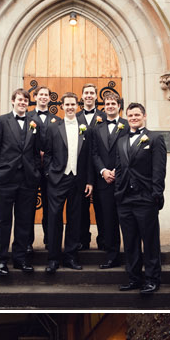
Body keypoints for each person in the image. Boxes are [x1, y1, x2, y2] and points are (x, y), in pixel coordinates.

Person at [0, 86, 40, 277]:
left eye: (26, 100)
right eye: (20, 100)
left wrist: (36, 173)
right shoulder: (1, 121)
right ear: (13, 101)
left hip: (27, 180)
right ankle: (1, 260)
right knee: (3, 221)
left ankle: (20, 259)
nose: (23, 103)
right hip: (4, 179)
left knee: (24, 221)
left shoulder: (34, 123)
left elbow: (36, 151)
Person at [115, 102, 167, 293]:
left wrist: (156, 193)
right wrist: (118, 193)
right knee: (130, 241)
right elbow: (120, 169)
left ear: (144, 116)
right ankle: (134, 278)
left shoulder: (155, 138)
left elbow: (159, 169)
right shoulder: (121, 141)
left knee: (150, 241)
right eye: (130, 115)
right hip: (125, 200)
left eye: (137, 115)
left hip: (145, 198)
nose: (134, 118)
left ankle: (153, 279)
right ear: (126, 117)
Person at [43, 95, 94, 275]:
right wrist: (49, 173)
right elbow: (47, 153)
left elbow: (88, 157)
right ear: (63, 106)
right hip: (58, 179)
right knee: (54, 218)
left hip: (78, 180)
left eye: (73, 104)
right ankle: (53, 259)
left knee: (75, 219)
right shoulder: (53, 127)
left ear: (77, 106)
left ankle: (71, 257)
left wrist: (89, 180)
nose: (70, 107)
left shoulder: (85, 129)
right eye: (67, 104)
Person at [92, 95, 127, 268]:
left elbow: (130, 151)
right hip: (104, 182)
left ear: (119, 106)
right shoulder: (97, 128)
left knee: (127, 220)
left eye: (113, 103)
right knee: (109, 220)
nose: (110, 106)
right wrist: (103, 171)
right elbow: (94, 153)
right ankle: (112, 257)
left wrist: (117, 170)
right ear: (104, 107)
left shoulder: (128, 125)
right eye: (107, 104)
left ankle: (131, 256)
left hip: (124, 181)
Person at [26, 87, 52, 253]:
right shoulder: (27, 117)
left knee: (50, 207)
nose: (43, 97)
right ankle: (27, 242)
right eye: (40, 94)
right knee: (27, 207)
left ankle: (50, 240)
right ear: (35, 97)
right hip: (31, 169)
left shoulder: (57, 120)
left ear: (50, 98)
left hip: (50, 171)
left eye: (46, 95)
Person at [77, 85, 102, 252]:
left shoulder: (104, 116)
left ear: (95, 96)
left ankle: (104, 241)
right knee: (80, 208)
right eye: (86, 93)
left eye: (92, 93)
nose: (89, 95)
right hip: (80, 169)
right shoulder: (75, 117)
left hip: (100, 168)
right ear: (82, 95)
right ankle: (82, 240)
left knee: (102, 207)